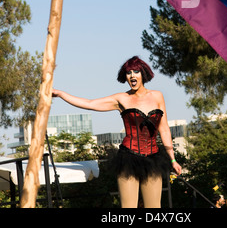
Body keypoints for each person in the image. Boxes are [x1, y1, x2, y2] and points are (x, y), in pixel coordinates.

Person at [52, 55, 182, 208]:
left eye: (136, 72)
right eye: (128, 73)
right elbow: (89, 103)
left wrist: (172, 159)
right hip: (128, 158)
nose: (132, 75)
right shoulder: (121, 99)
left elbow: (164, 129)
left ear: (143, 74)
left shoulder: (157, 96)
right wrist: (61, 94)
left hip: (153, 159)